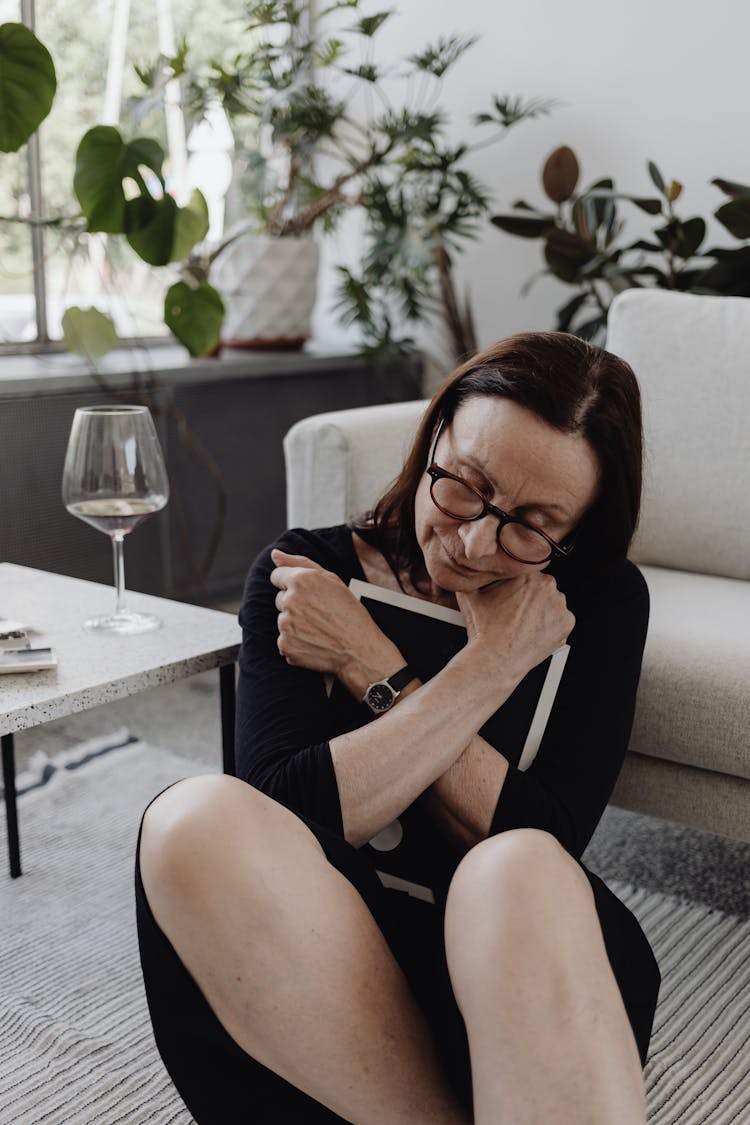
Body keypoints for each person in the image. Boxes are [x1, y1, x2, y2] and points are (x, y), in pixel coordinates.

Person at [135, 331, 660, 1125]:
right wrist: (483, 667)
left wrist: (370, 658)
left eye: (531, 524)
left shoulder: (598, 602)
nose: (478, 541)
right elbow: (284, 810)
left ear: (574, 532)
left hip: (508, 979)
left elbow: (546, 828)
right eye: (466, 486)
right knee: (193, 820)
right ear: (434, 435)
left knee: (517, 864)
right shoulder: (303, 574)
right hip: (310, 982)